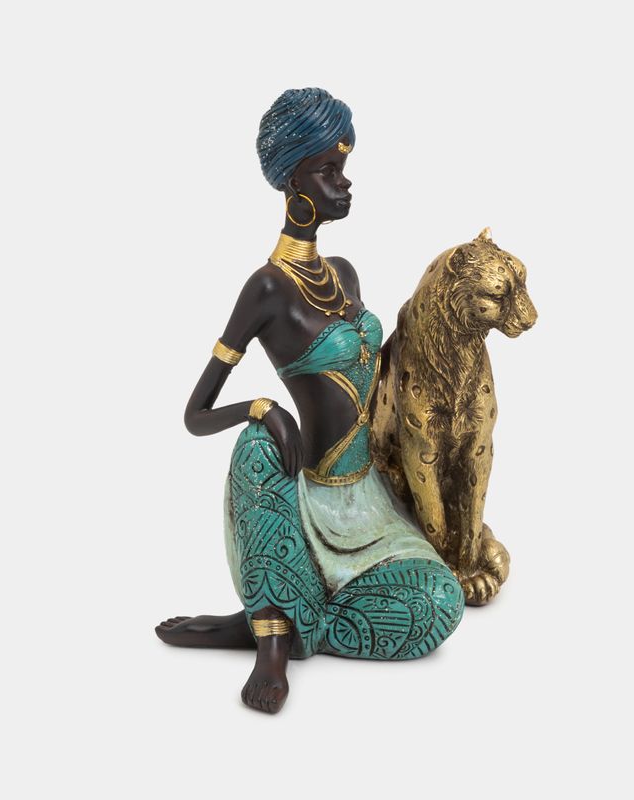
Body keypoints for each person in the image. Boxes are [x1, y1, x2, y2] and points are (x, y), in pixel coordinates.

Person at [156, 88, 464, 714]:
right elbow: (195, 415)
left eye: (343, 168)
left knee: (440, 605)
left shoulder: (345, 273)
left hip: (366, 501)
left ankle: (278, 620)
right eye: (328, 170)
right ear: (293, 181)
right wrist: (260, 408)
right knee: (254, 447)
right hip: (302, 493)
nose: (344, 183)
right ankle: (273, 643)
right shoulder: (267, 288)